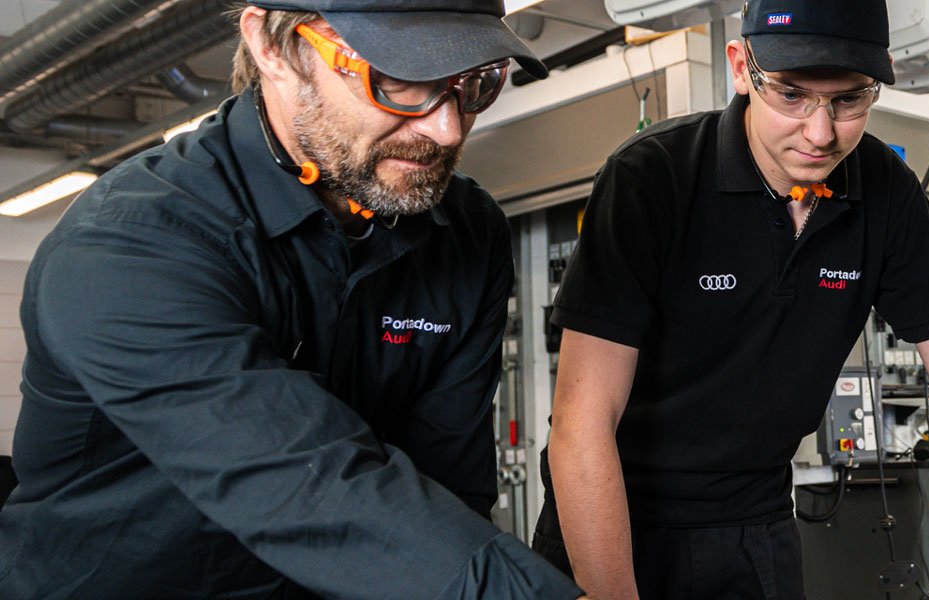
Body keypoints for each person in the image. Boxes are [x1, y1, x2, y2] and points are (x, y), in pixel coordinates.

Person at [0, 2, 585, 598]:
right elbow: (312, 490)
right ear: (272, 47)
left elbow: (445, 497)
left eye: (473, 84)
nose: (448, 129)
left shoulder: (466, 232)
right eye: (396, 80)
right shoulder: (130, 240)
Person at [535, 1, 929, 599]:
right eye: (791, 95)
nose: (820, 134)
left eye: (849, 99)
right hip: (614, 522)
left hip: (759, 521)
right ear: (742, 68)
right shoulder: (652, 179)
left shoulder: (887, 194)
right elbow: (583, 422)